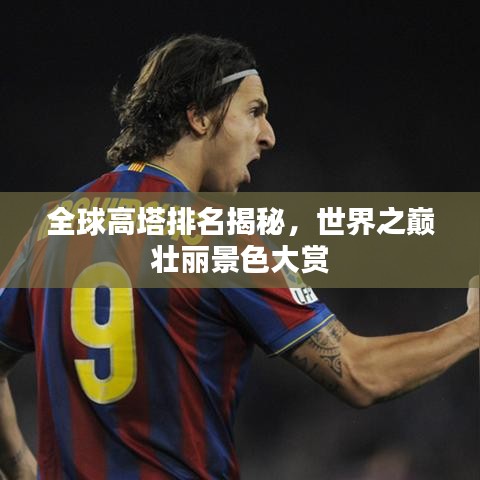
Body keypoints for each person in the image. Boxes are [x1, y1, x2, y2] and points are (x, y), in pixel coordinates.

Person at [0, 33, 478, 480]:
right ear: (199, 117)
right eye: (254, 112)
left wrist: (21, 467)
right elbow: (359, 373)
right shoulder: (218, 237)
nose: (268, 135)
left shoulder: (51, 225)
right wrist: (471, 327)